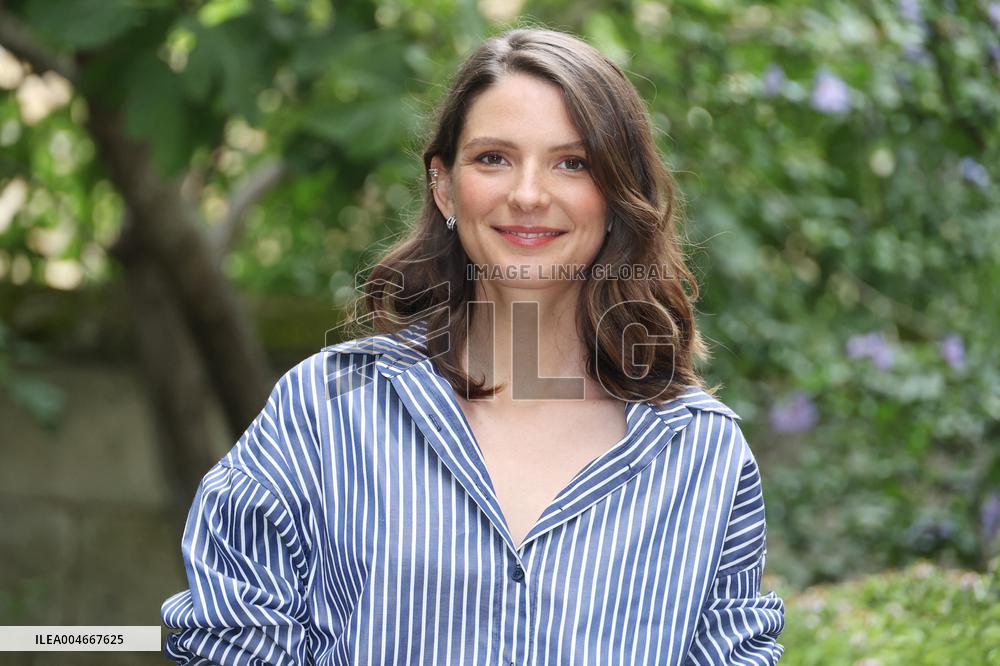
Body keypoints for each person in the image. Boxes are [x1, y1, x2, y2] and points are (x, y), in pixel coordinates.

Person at [161, 26, 785, 665]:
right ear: (443, 185)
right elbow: (226, 639)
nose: (528, 194)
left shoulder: (701, 454)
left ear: (618, 195)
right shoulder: (327, 407)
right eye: (494, 158)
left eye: (572, 163)